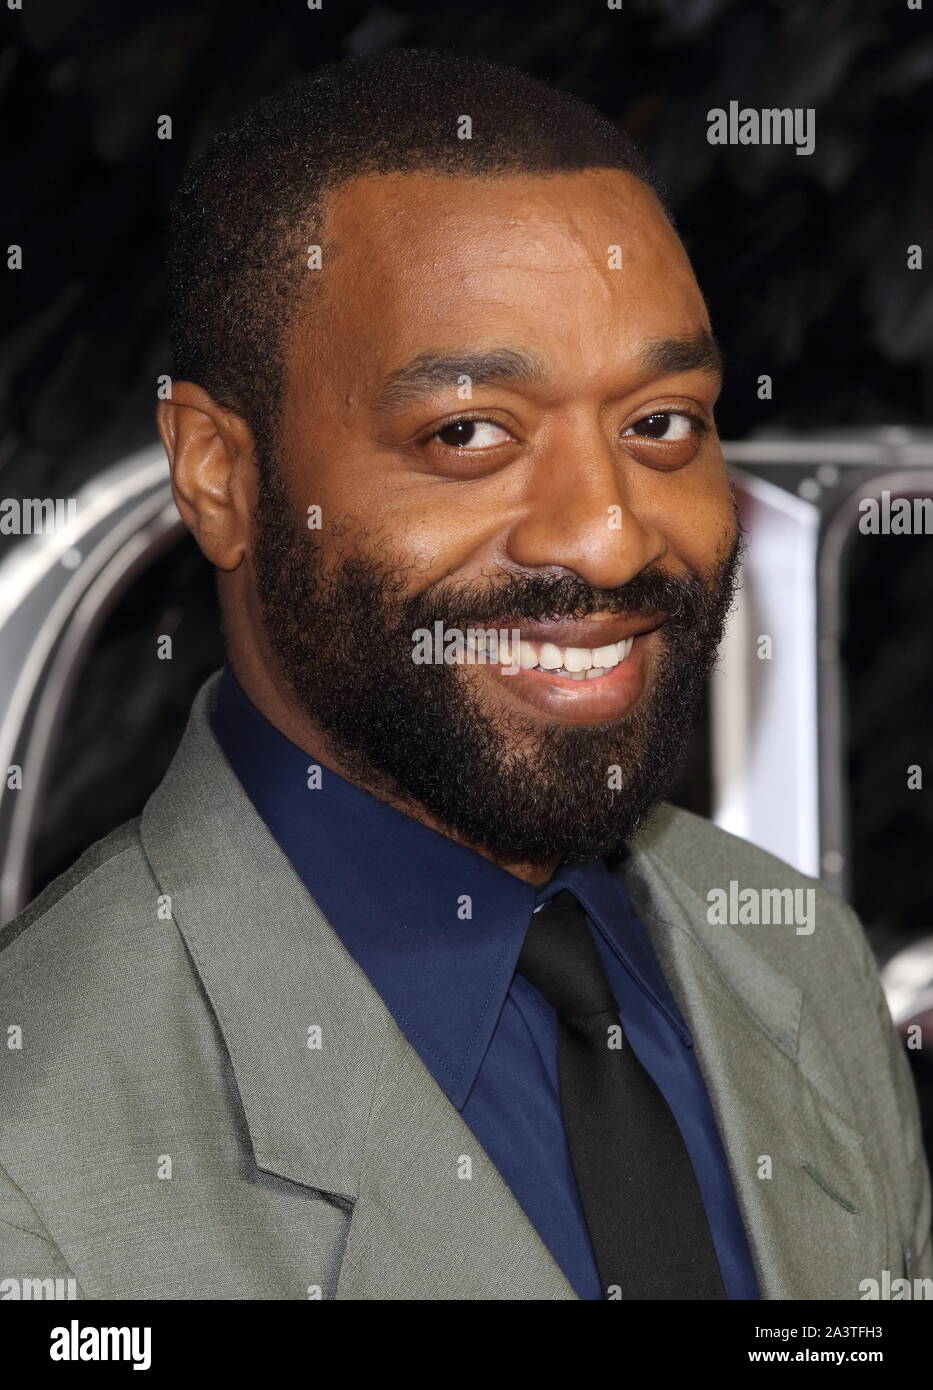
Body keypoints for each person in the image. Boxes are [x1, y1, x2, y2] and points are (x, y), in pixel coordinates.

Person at [0, 48, 928, 1301]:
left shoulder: (797, 964)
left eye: (662, 423)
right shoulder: (39, 1159)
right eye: (468, 435)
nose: (606, 533)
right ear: (221, 474)